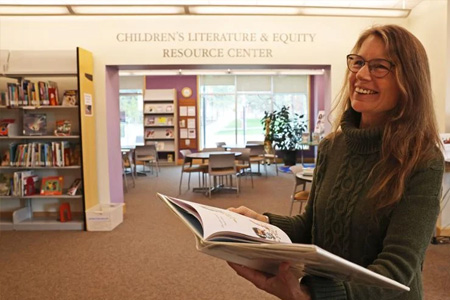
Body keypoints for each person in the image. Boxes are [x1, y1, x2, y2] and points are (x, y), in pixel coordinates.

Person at [228, 24, 444, 300]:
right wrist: (262, 224)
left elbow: (398, 268)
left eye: (380, 66)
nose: (362, 75)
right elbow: (311, 227)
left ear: (409, 81)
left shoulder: (422, 159)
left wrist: (315, 295)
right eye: (358, 62)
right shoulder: (332, 146)